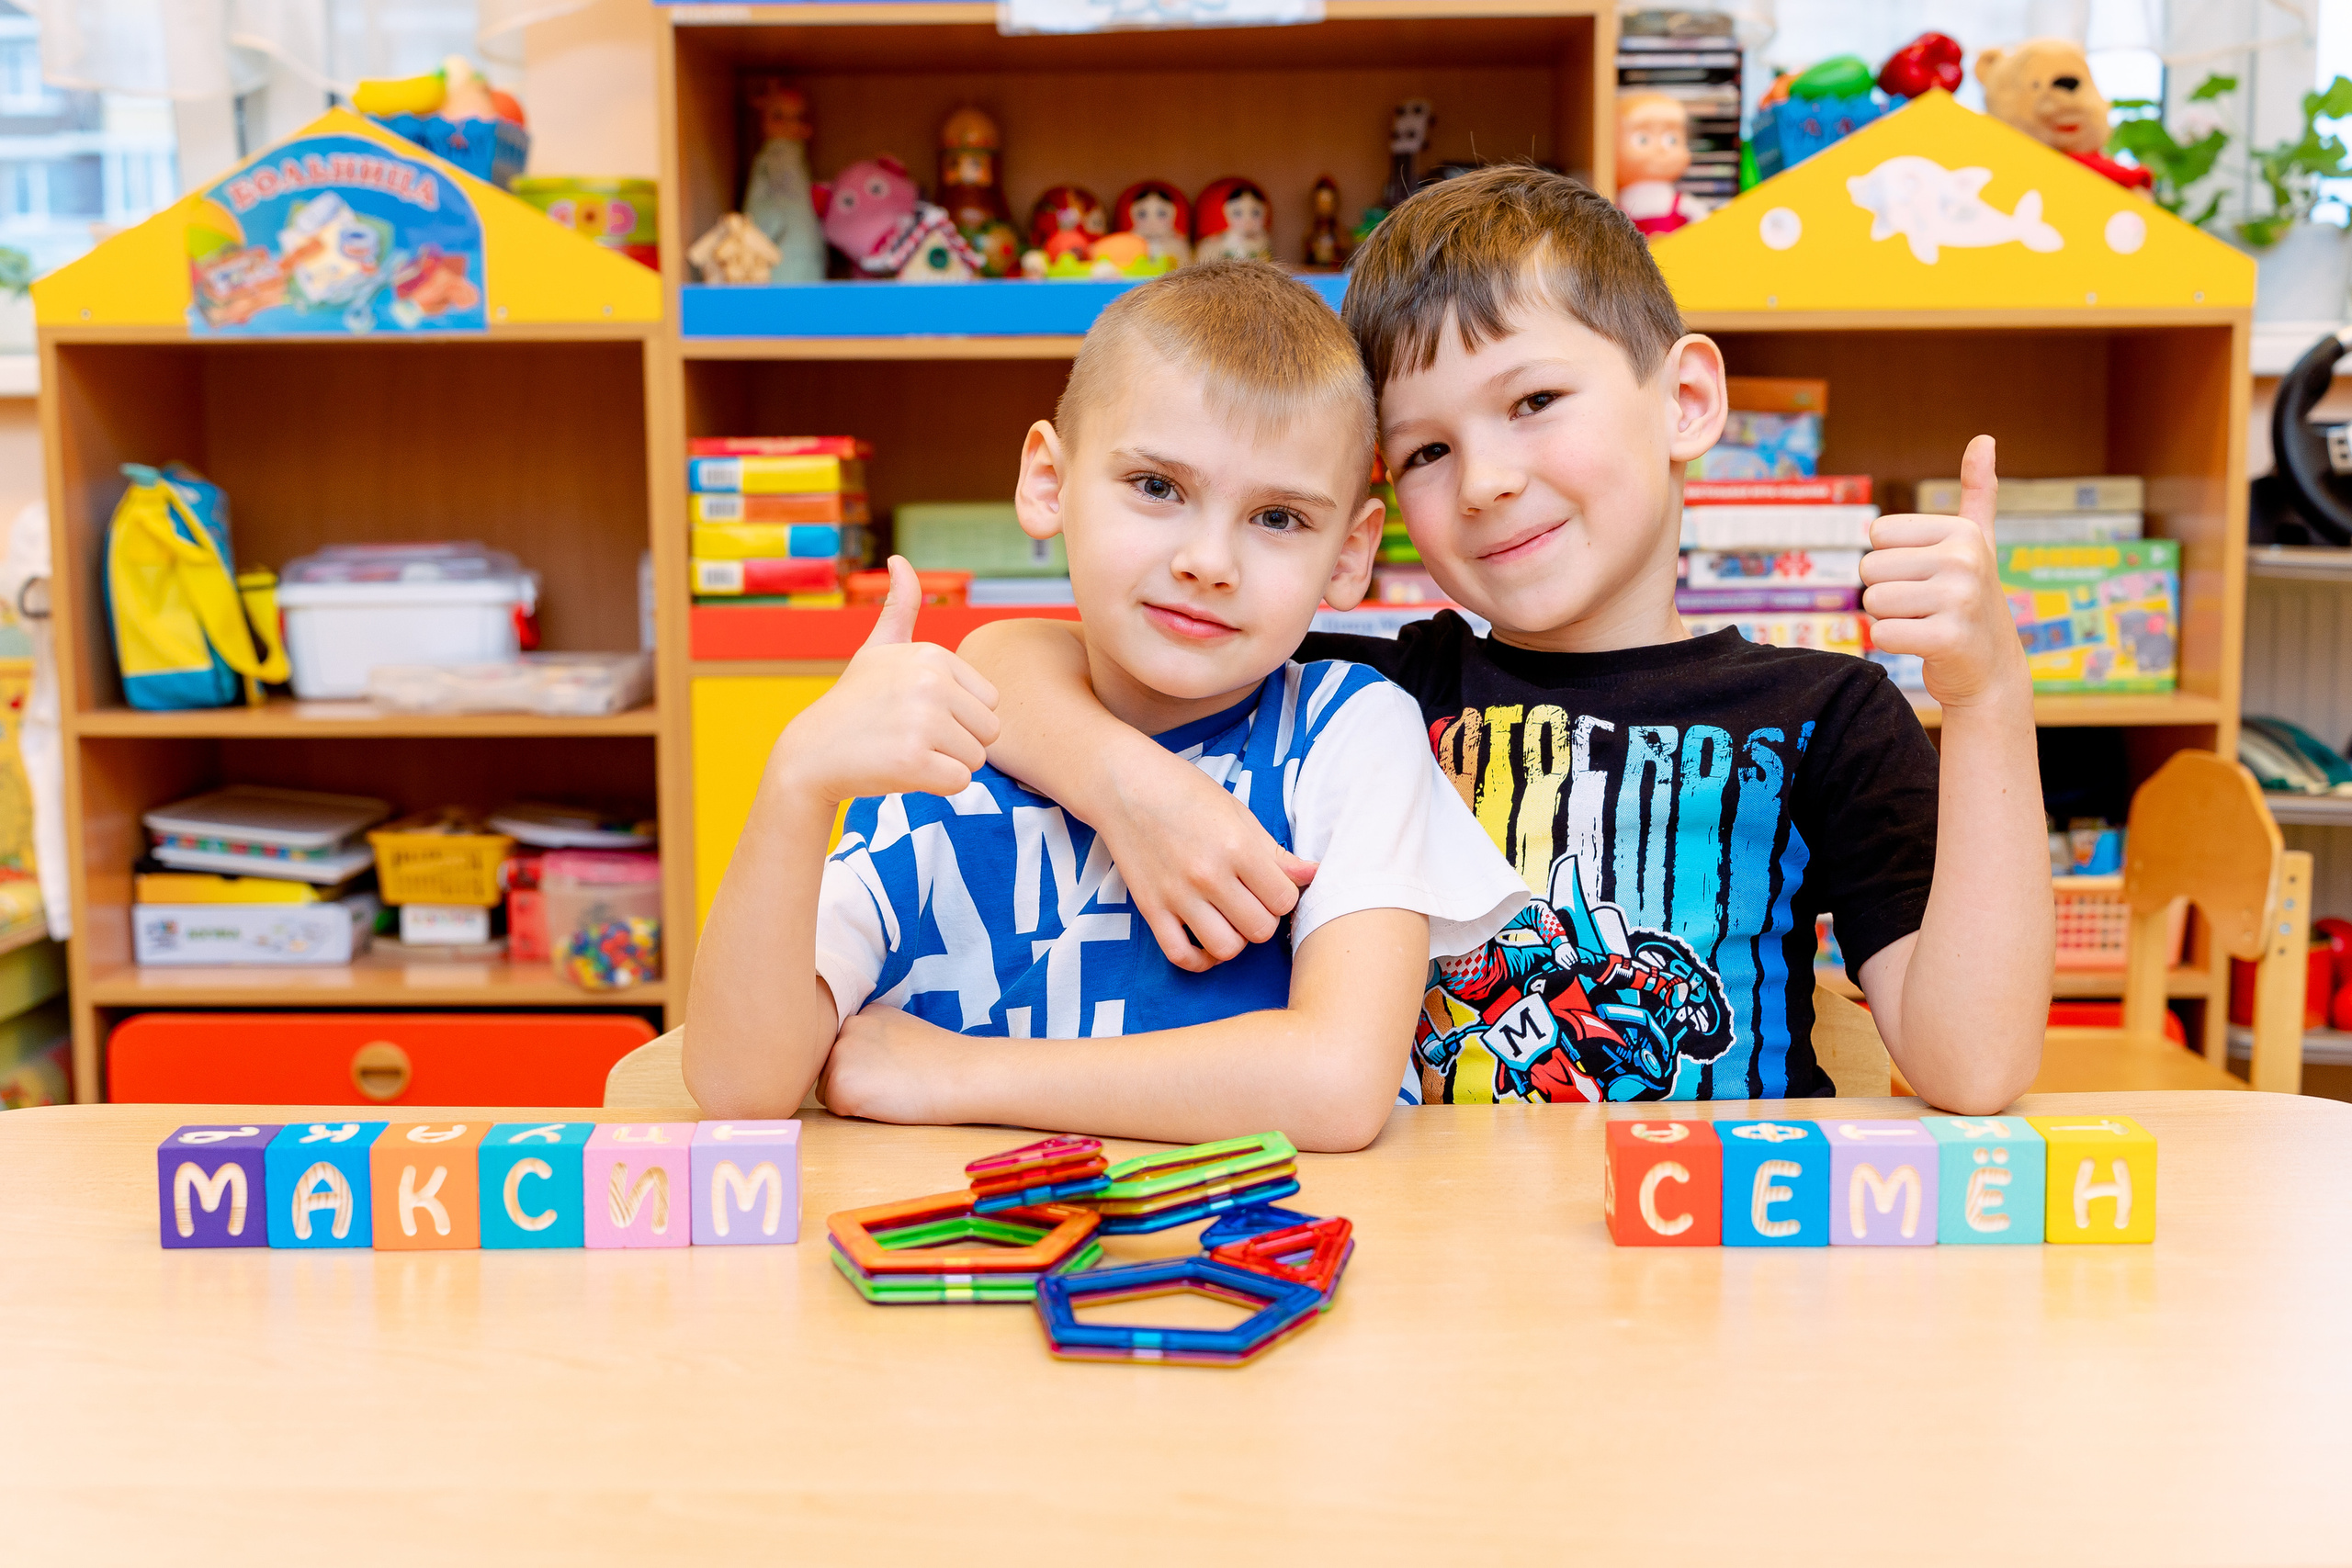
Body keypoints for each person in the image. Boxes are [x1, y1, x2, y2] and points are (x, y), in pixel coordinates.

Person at [962, 165, 2052, 1113]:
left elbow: (1975, 1065)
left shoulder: (1829, 715)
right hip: (1432, 1253)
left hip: (1714, 1269)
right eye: (1427, 451)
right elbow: (1003, 663)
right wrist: (1134, 790)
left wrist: (1989, 695)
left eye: (1532, 400)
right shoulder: (1364, 692)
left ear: (1684, 399)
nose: (1484, 481)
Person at [684, 260, 1527, 1149]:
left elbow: (1338, 1086)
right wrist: (796, 785)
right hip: (968, 1276)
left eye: (1277, 518)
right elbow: (740, 1088)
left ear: (1351, 555)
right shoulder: (949, 751)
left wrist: (958, 1076)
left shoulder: (1350, 735)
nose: (1209, 561)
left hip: (1262, 1267)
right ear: (1048, 482)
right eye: (1158, 487)